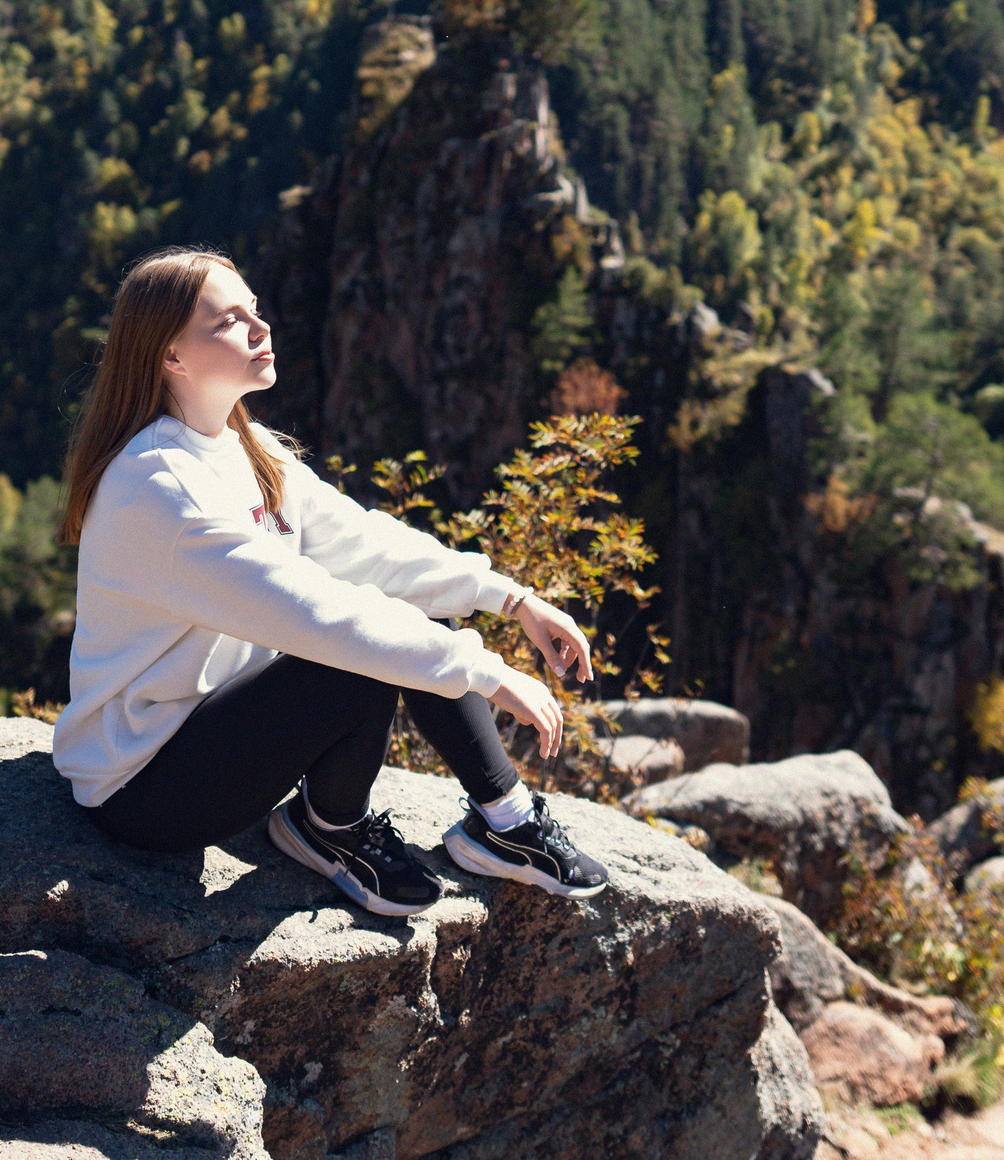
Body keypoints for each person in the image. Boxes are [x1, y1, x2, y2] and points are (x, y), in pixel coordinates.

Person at [51, 244, 610, 916]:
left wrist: (511, 598)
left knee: (401, 608)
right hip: (143, 786)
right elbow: (319, 615)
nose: (260, 328)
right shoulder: (161, 488)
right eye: (230, 320)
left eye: (254, 309)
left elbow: (364, 545)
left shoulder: (244, 448)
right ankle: (332, 828)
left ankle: (507, 821)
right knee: (355, 651)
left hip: (217, 719)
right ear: (170, 355)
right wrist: (484, 670)